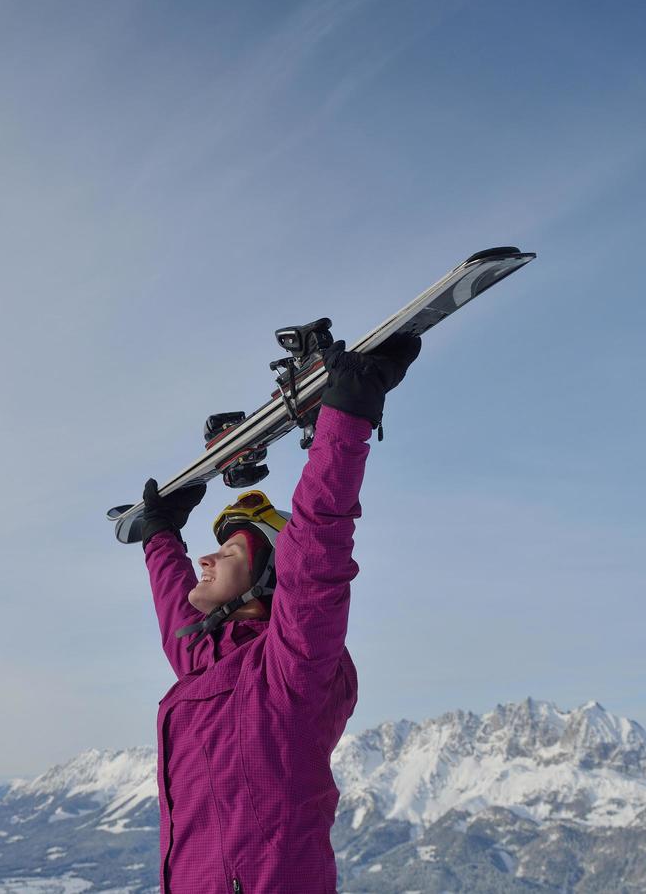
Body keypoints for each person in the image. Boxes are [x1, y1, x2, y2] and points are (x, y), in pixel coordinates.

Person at [138, 333, 422, 893]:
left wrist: (347, 418)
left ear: (267, 581)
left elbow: (318, 547)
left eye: (231, 550)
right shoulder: (210, 668)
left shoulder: (289, 673)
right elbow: (179, 617)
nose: (208, 556)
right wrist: (160, 537)